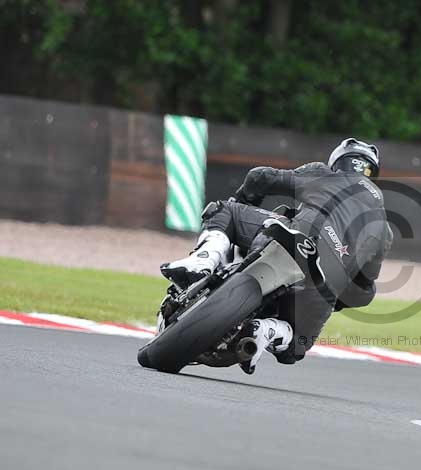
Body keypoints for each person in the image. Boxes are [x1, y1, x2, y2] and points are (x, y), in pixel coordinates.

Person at [160, 138, 393, 374]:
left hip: (292, 236)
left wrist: (245, 201)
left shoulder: (324, 174)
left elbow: (260, 176)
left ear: (337, 161)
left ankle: (204, 260)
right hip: (323, 284)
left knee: (224, 210)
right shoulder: (384, 228)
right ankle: (266, 329)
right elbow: (364, 291)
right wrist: (337, 298)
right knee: (296, 347)